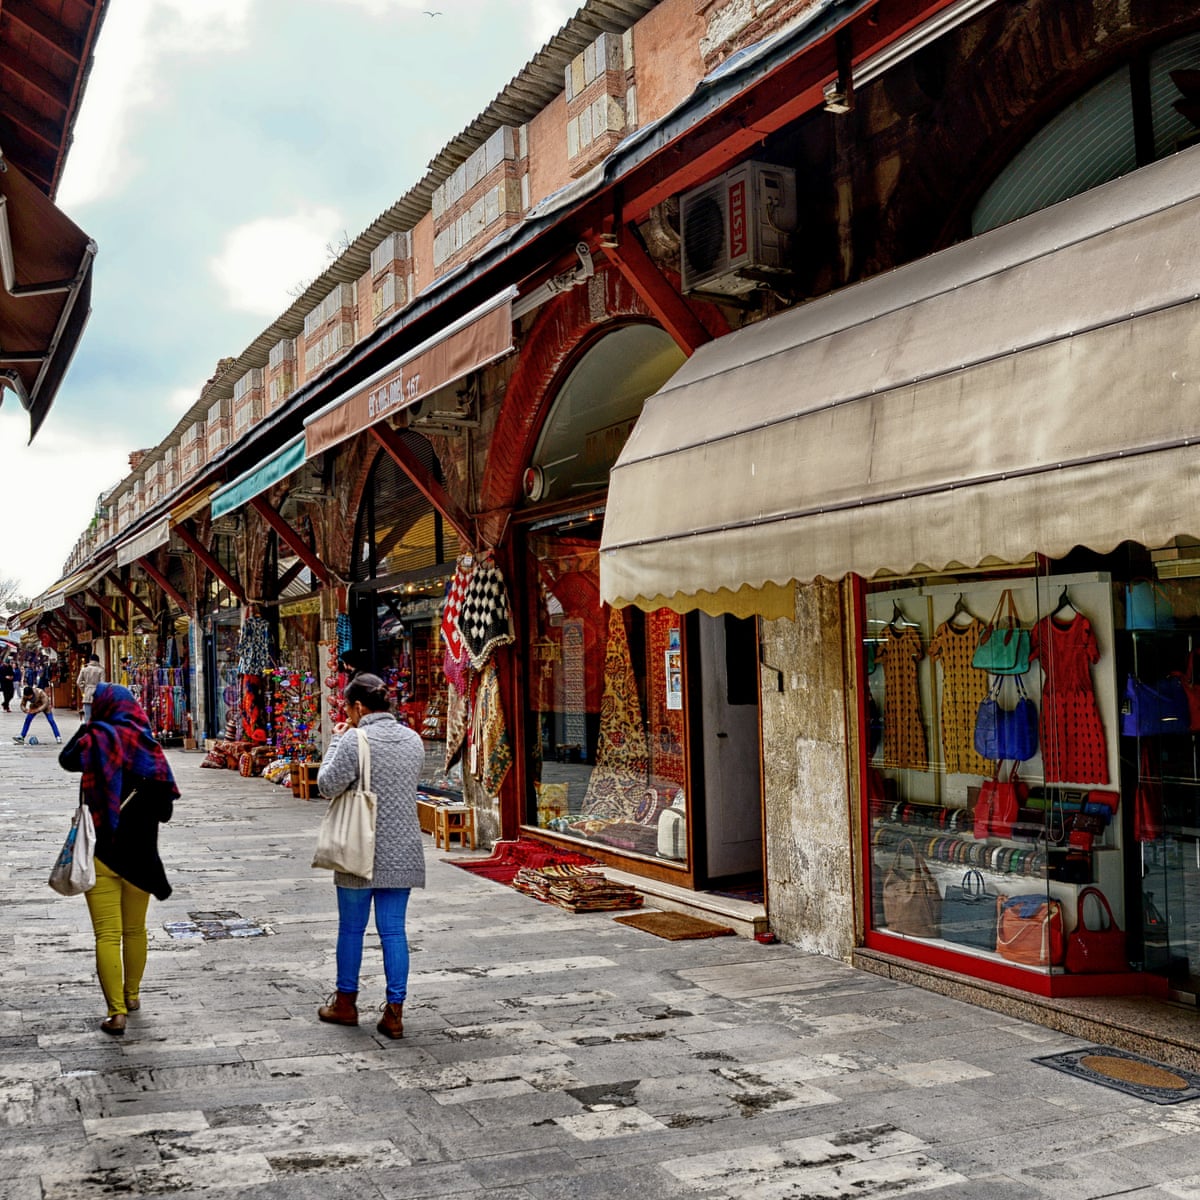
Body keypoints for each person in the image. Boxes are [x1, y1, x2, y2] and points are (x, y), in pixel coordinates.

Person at [58, 683, 178, 1035]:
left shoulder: (95, 742)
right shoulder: (150, 749)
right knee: (135, 930)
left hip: (101, 854)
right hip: (141, 859)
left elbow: (66, 759)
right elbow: (166, 811)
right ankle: (133, 994)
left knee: (107, 935)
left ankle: (116, 1012)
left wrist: (89, 724)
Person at [315, 672, 425, 1039]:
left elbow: (326, 785)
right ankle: (394, 1012)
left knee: (351, 928)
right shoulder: (413, 740)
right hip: (403, 848)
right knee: (394, 930)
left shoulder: (353, 739)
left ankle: (345, 1002)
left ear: (358, 707)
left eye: (348, 707)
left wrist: (336, 741)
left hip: (358, 848)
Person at [77, 654, 104, 723]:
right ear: (98, 661)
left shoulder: (84, 669)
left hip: (87, 694)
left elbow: (78, 682)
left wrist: (83, 690)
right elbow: (102, 684)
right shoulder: (101, 670)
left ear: (90, 660)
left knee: (87, 716)